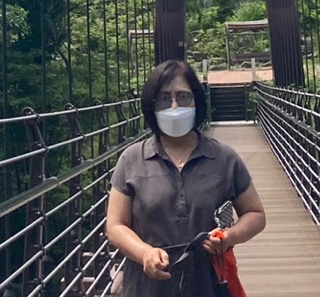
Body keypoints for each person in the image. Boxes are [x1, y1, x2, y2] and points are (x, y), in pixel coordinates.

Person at [106, 60, 266, 294]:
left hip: (208, 283)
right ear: (151, 105)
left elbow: (256, 214)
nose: (174, 106)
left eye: (183, 97)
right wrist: (145, 253)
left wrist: (229, 236)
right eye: (164, 98)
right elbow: (115, 225)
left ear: (196, 101)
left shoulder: (224, 158)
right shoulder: (132, 159)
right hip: (147, 286)